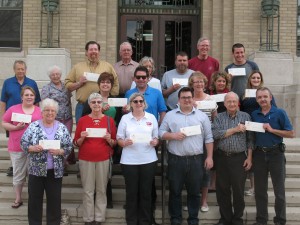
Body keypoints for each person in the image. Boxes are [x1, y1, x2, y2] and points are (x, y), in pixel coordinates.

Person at [159, 87, 214, 225]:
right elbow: (160, 133)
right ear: (179, 100)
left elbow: (208, 138)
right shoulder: (170, 115)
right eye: (184, 97)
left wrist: (209, 157)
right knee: (175, 191)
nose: (187, 100)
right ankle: (176, 219)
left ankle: (193, 219)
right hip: (176, 160)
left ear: (193, 98)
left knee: (195, 192)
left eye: (189, 97)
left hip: (196, 160)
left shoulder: (201, 116)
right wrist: (173, 135)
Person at [20, 98, 72, 225]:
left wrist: (60, 151)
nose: (50, 113)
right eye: (47, 110)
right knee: (34, 201)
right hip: (36, 170)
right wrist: (32, 148)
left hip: (55, 171)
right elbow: (23, 143)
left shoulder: (62, 128)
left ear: (56, 113)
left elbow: (68, 146)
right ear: (42, 112)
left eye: (53, 111)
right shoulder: (34, 126)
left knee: (54, 201)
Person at [125, 66, 167, 224]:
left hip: (150, 140)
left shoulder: (156, 93)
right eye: (138, 77)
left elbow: (163, 111)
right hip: (132, 145)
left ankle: (149, 215)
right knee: (136, 184)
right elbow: (127, 114)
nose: (141, 79)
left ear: (149, 78)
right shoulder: (129, 94)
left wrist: (159, 131)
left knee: (148, 183)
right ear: (134, 79)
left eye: (144, 77)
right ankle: (135, 214)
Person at [251, 87, 294, 225]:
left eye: (265, 96)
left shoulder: (279, 112)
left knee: (279, 192)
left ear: (270, 97)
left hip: (276, 154)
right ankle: (261, 220)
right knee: (260, 191)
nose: (262, 99)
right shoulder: (254, 114)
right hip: (259, 155)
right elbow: (251, 136)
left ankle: (280, 221)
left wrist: (272, 130)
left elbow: (290, 133)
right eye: (259, 97)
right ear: (257, 100)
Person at [73, 93, 117, 225]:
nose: (97, 104)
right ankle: (88, 218)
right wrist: (81, 138)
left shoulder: (109, 121)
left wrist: (110, 140)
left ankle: (99, 218)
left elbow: (114, 143)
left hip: (103, 158)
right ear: (89, 104)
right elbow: (76, 143)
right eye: (93, 102)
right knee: (88, 189)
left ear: (102, 104)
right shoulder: (82, 120)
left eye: (99, 102)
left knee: (101, 189)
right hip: (86, 158)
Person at [212, 92, 254, 225]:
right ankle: (225, 218)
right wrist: (235, 129)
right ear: (224, 104)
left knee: (238, 191)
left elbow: (250, 139)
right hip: (222, 157)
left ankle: (237, 219)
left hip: (239, 158)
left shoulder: (246, 116)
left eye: (234, 101)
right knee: (222, 190)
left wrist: (250, 158)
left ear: (238, 103)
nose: (231, 104)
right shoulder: (218, 117)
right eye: (228, 101)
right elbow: (216, 134)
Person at [117, 93, 159, 225]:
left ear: (144, 103)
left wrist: (155, 142)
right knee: (131, 193)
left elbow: (156, 137)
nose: (138, 103)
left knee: (146, 193)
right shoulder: (125, 118)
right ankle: (131, 221)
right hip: (129, 161)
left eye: (141, 101)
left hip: (148, 160)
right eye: (135, 101)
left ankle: (145, 221)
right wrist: (124, 143)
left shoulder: (151, 117)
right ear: (131, 104)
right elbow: (119, 138)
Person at [81, 72, 117, 209]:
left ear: (111, 85)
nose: (105, 84)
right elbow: (84, 117)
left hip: (110, 137)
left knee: (106, 173)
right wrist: (100, 109)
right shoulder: (92, 99)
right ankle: (92, 204)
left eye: (108, 82)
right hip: (92, 139)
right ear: (99, 84)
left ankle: (107, 201)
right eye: (103, 82)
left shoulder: (115, 99)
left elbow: (119, 117)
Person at [2, 86, 42, 209]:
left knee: (33, 175)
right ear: (21, 97)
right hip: (17, 147)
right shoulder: (13, 109)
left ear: (35, 97)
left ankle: (33, 198)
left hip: (34, 148)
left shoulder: (39, 111)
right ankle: (18, 198)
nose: (29, 97)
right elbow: (4, 122)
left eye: (31, 95)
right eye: (26, 95)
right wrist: (15, 128)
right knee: (18, 173)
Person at [0, 60, 41, 176]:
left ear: (25, 70)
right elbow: (3, 101)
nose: (20, 71)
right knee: (14, 140)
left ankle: (29, 165)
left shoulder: (32, 82)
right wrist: (3, 118)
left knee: (30, 141)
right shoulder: (8, 82)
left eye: (22, 69)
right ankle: (14, 165)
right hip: (13, 119)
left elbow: (37, 102)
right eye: (18, 69)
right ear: (14, 69)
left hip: (30, 120)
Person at [240, 71, 276, 196]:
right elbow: (241, 110)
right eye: (253, 77)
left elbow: (273, 109)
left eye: (258, 78)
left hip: (261, 126)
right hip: (248, 127)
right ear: (250, 79)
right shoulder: (244, 94)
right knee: (249, 155)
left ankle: (259, 187)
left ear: (261, 79)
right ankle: (252, 187)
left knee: (258, 157)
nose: (256, 79)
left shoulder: (266, 93)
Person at [65, 41, 119, 123]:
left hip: (104, 106)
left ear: (99, 52)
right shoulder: (78, 67)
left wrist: (111, 100)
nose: (93, 51)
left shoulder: (108, 66)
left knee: (103, 131)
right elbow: (67, 85)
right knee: (82, 131)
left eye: (95, 49)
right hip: (82, 106)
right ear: (86, 52)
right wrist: (79, 83)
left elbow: (115, 84)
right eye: (91, 49)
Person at [187, 72, 217, 212]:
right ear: (191, 84)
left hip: (206, 141)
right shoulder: (187, 99)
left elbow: (214, 120)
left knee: (205, 171)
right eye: (196, 82)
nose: (199, 84)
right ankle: (191, 200)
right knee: (190, 173)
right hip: (190, 140)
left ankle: (203, 201)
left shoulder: (211, 100)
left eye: (201, 82)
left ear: (205, 84)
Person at [41, 65, 75, 166]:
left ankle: (69, 160)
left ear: (60, 75)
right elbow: (44, 103)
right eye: (53, 75)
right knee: (57, 139)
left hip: (67, 117)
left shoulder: (66, 86)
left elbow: (69, 99)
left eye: (57, 74)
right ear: (50, 76)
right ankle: (61, 164)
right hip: (55, 119)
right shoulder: (46, 88)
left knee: (66, 138)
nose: (55, 76)